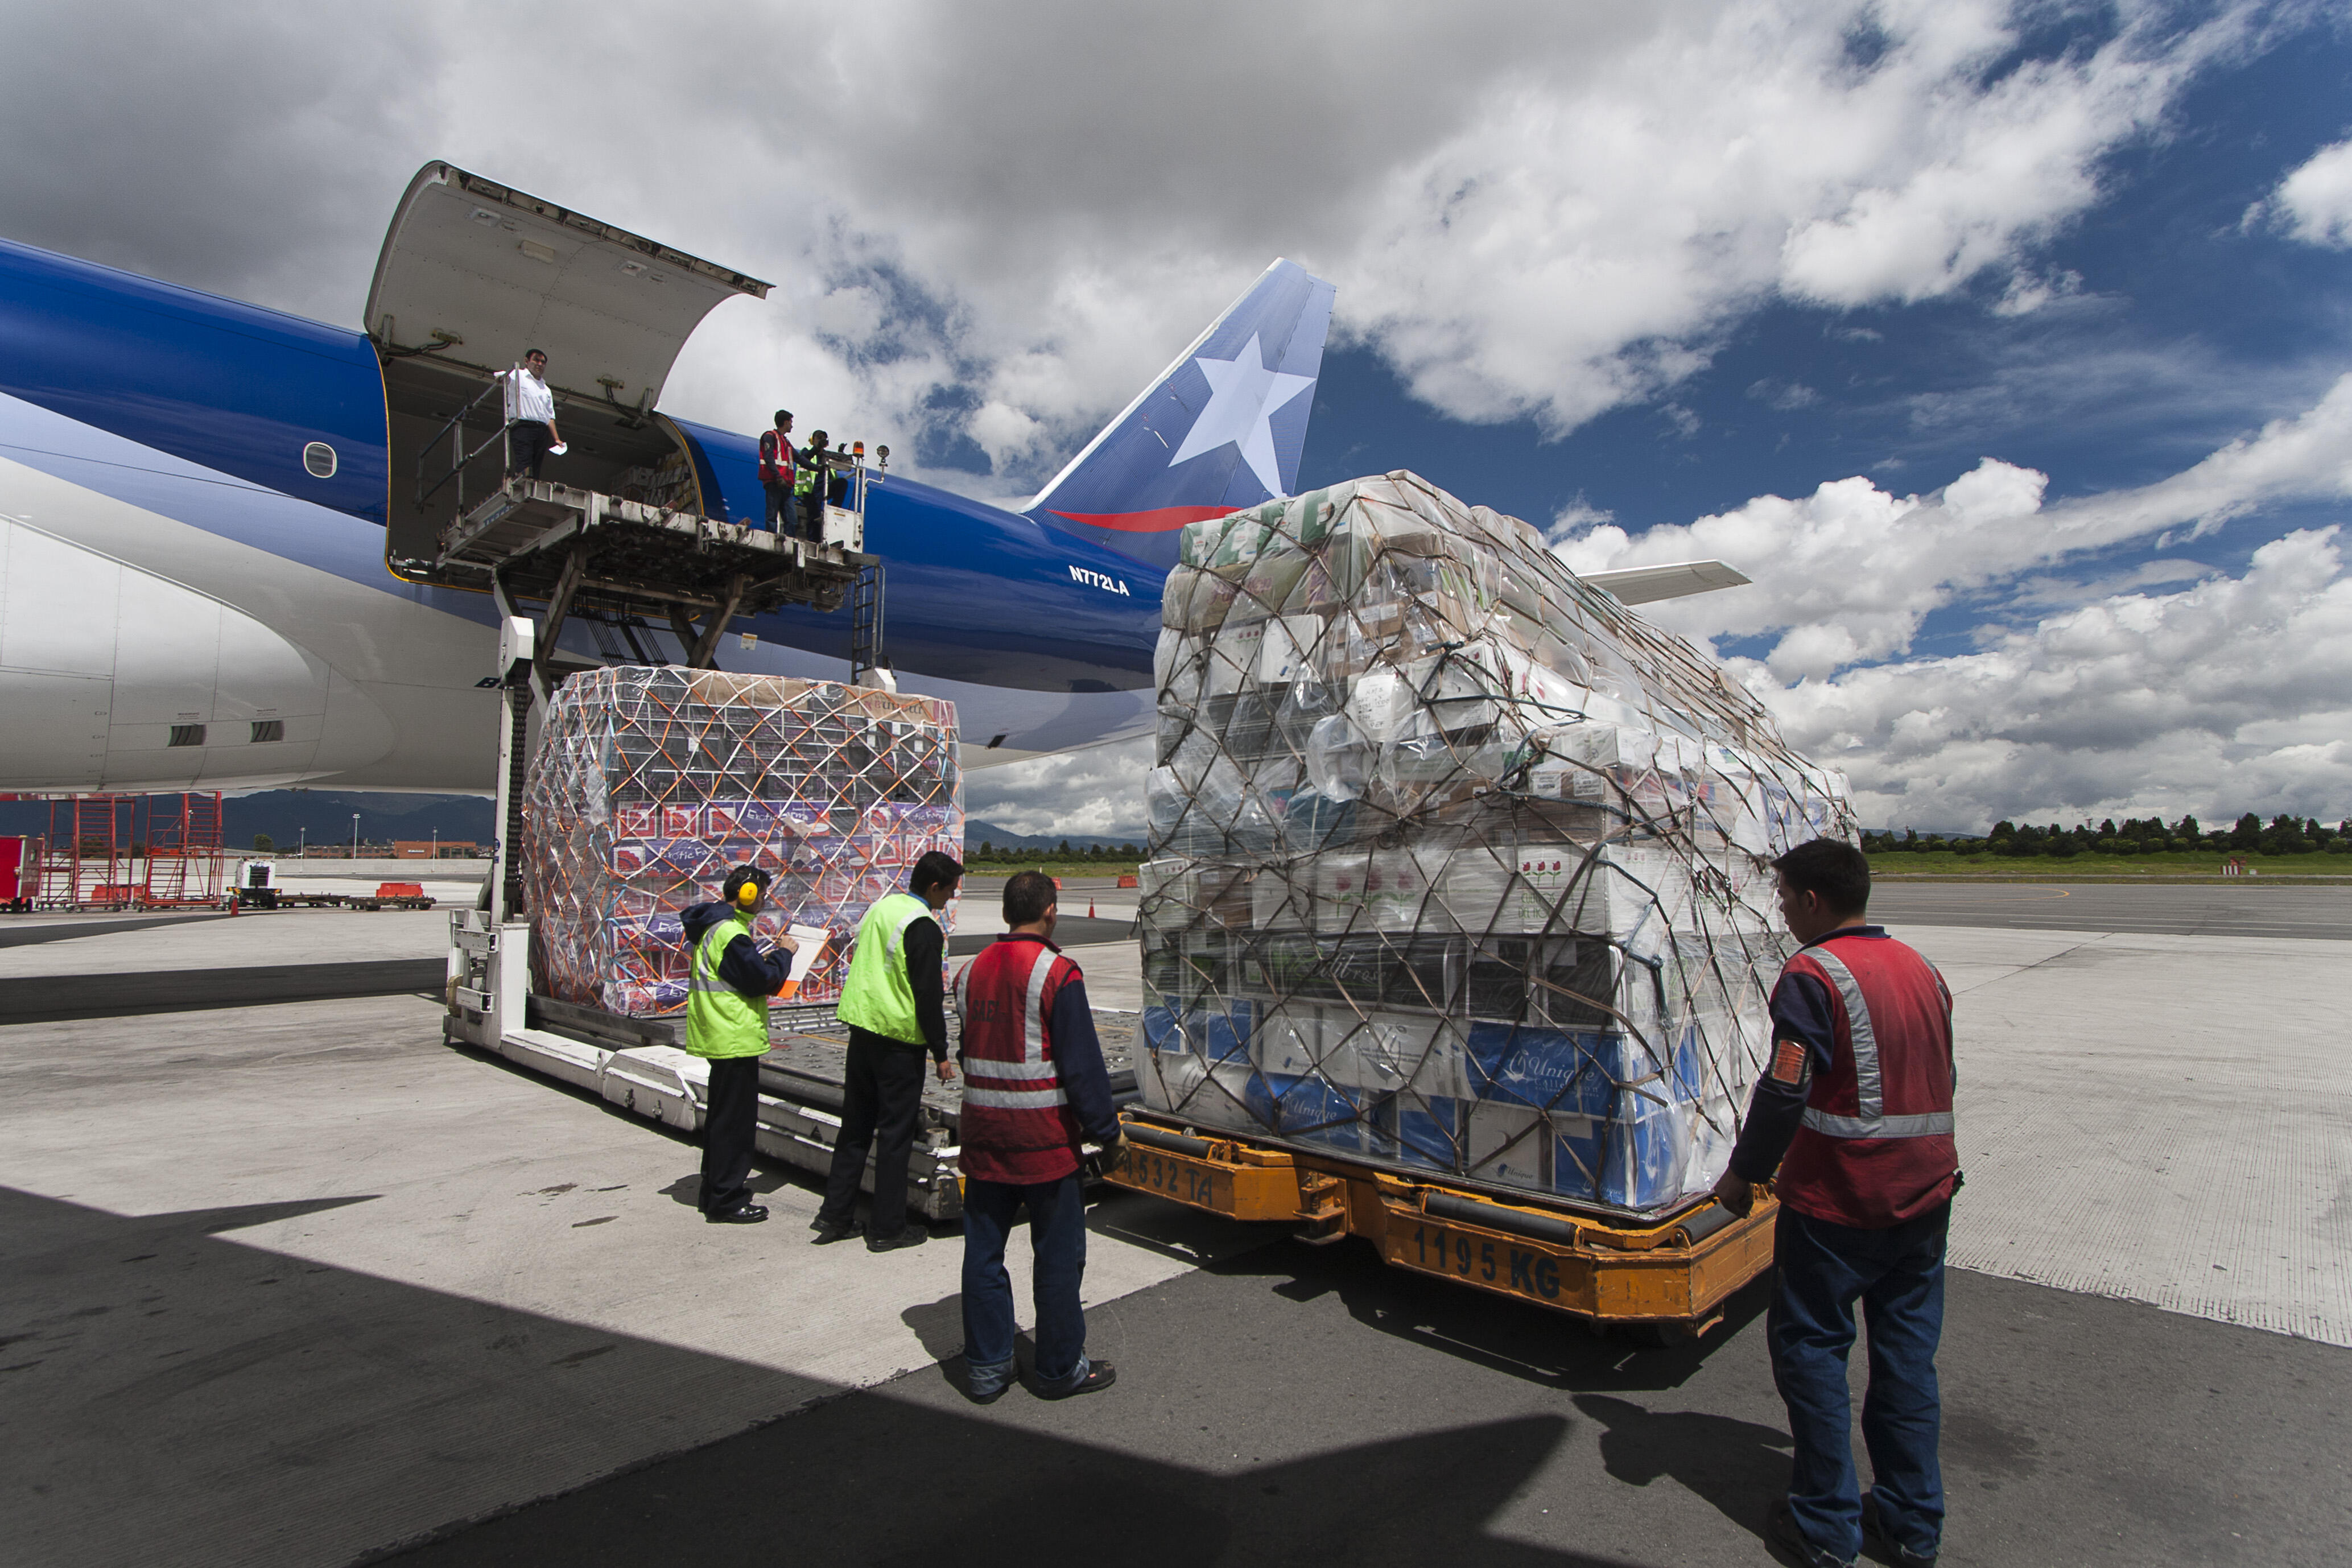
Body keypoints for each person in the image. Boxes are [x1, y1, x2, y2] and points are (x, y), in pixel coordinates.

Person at [1712, 837, 1957, 1568]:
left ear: (1814, 900)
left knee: (1813, 1350)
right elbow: (1942, 1073)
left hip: (1840, 1201)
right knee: (1907, 1357)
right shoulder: (1923, 967)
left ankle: (1825, 1526)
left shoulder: (1813, 973)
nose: (1783, 910)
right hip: (1926, 1194)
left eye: (1786, 896)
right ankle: (1912, 1524)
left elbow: (1786, 1085)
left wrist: (1743, 1174)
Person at [951, 870, 1122, 1403]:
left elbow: (968, 1051)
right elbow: (1082, 1067)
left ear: (1006, 913)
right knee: (1057, 1257)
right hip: (1044, 1142)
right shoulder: (1057, 972)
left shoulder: (969, 972)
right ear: (1051, 911)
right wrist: (1109, 1134)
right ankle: (1057, 1369)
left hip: (983, 1137)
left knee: (984, 1254)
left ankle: (987, 1369)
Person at [814, 851, 963, 1251]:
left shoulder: (883, 908)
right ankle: (886, 1229)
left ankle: (835, 1215)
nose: (951, 897)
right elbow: (929, 996)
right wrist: (941, 1052)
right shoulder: (923, 927)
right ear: (934, 886)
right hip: (897, 1041)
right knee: (895, 1138)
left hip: (863, 1030)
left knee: (855, 1129)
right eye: (950, 890)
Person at [680, 865, 799, 1223]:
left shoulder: (717, 928)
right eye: (762, 893)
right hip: (734, 1036)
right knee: (735, 1125)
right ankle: (728, 1199)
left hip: (721, 1034)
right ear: (747, 894)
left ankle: (714, 1192)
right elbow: (761, 980)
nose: (764, 900)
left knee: (722, 1120)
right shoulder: (731, 933)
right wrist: (784, 954)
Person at [499, 349, 562, 480]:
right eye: (536, 360)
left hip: (541, 430)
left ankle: (531, 485)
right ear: (527, 361)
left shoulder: (546, 389)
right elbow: (502, 377)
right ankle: (522, 483)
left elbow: (550, 417)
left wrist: (557, 439)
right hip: (523, 426)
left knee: (536, 465)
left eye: (543, 362)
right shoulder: (518, 375)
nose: (540, 364)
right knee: (525, 460)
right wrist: (500, 378)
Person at [757, 410, 797, 532]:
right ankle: (771, 538)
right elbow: (768, 457)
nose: (792, 425)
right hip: (775, 482)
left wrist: (818, 466)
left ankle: (789, 540)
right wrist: (778, 476)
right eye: (791, 422)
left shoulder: (786, 443)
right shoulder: (770, 437)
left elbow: (801, 458)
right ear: (786, 422)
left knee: (792, 519)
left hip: (786, 485)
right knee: (772, 515)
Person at [797, 430, 831, 542]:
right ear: (813, 439)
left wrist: (840, 453)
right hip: (810, 489)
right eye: (819, 437)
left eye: (824, 438)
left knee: (842, 484)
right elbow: (804, 458)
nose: (821, 440)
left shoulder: (827, 456)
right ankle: (813, 540)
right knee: (814, 514)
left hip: (823, 488)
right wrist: (817, 448)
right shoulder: (807, 451)